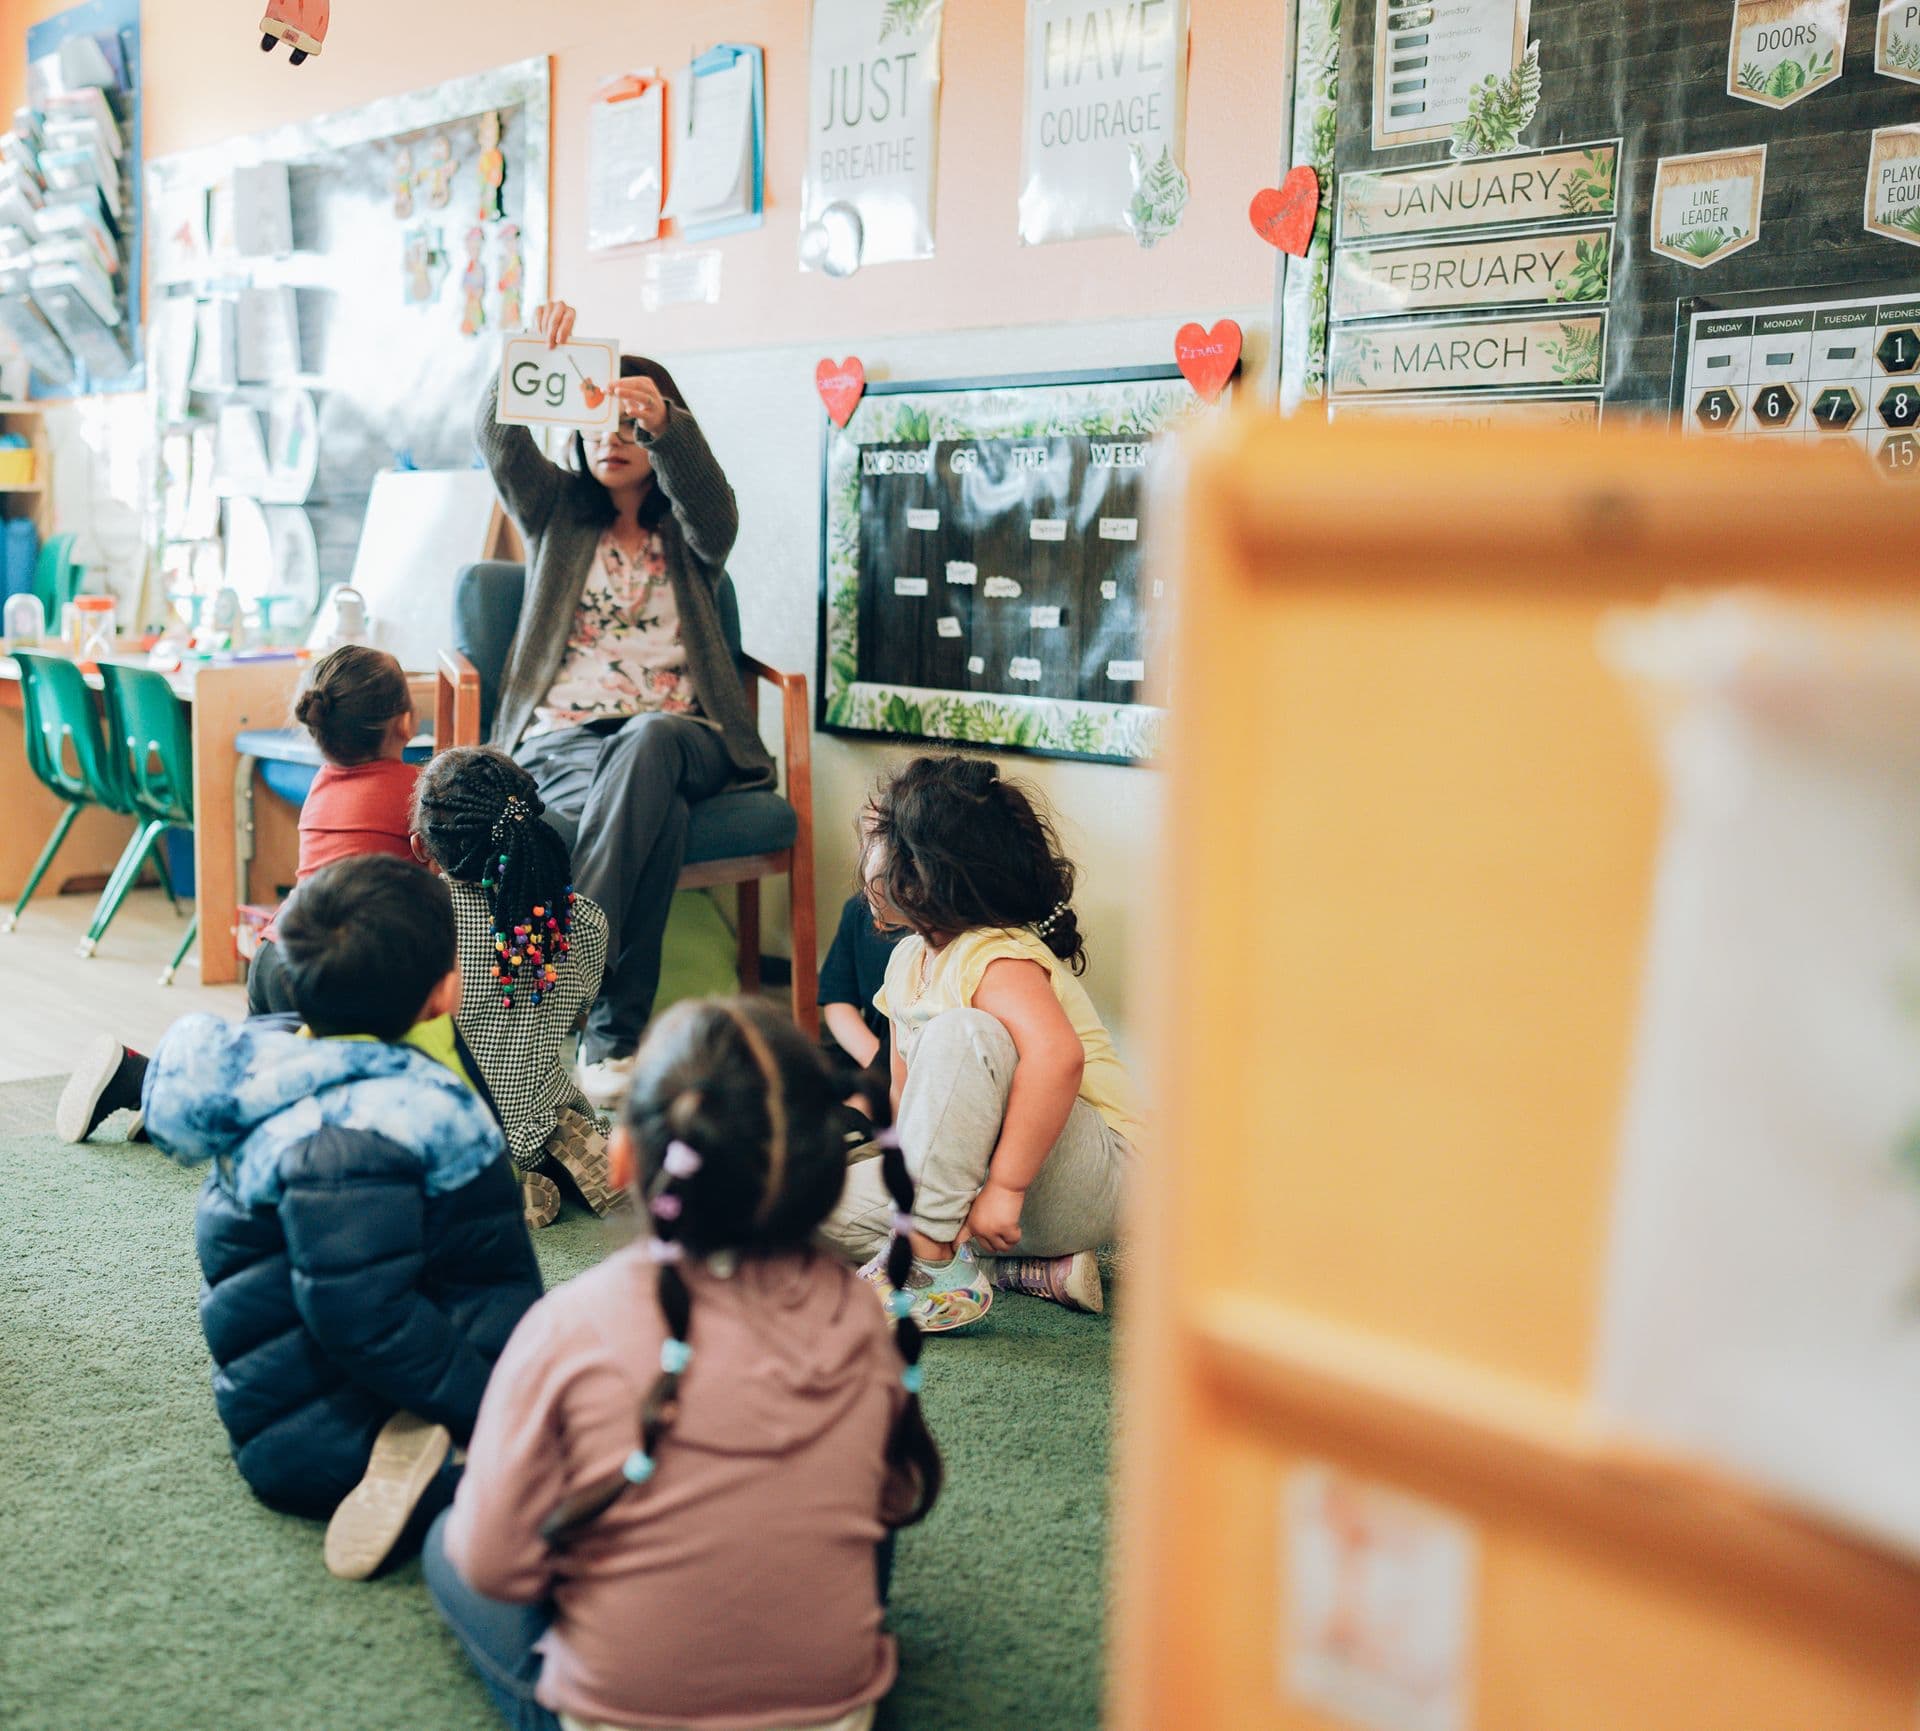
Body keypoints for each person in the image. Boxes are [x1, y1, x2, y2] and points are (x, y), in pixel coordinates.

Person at [425, 997, 940, 1731]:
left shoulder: (568, 1324)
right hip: (833, 1714)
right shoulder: (861, 1314)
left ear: (623, 1152)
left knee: (448, 1538)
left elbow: (496, 1565)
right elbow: (889, 1500)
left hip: (616, 1713)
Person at [138, 854, 544, 1580]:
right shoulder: (363, 1131)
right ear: (445, 990)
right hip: (319, 1428)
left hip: (305, 1386)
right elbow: (365, 1314)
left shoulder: (283, 1063)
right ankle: (430, 1465)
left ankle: (435, 1442)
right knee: (561, 1461)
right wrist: (488, 1406)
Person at [474, 299, 775, 1110]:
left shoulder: (696, 535)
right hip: (564, 741)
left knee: (648, 745)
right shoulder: (554, 517)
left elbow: (711, 499)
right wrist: (527, 355)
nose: (610, 438)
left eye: (627, 426)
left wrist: (668, 425)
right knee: (659, 815)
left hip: (689, 734)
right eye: (595, 423)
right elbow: (498, 441)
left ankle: (551, 996)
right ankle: (612, 1042)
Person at [824, 756, 1142, 1328]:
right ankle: (1014, 1267)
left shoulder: (995, 952)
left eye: (881, 841)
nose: (865, 856)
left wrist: (1005, 1187)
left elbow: (1058, 1057)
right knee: (809, 1207)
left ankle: (929, 1263)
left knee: (964, 1033)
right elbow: (906, 1102)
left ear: (929, 875)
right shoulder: (904, 963)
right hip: (995, 1187)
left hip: (1092, 1170)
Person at [54, 645, 421, 1141]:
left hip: (273, 954)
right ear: (405, 722)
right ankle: (139, 1080)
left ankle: (159, 1092)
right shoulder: (413, 791)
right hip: (326, 968)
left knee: (255, 1070)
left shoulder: (323, 783)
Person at [411, 746, 616, 1229]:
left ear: (422, 848)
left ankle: (490, 1182)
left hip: (447, 1127)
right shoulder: (583, 921)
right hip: (538, 1109)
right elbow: (584, 1004)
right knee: (547, 1093)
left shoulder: (419, 921)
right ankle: (551, 1149)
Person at [820, 887, 906, 1075]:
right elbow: (838, 1001)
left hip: (915, 1063)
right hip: (869, 1052)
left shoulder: (936, 932)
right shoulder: (857, 910)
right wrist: (874, 1063)